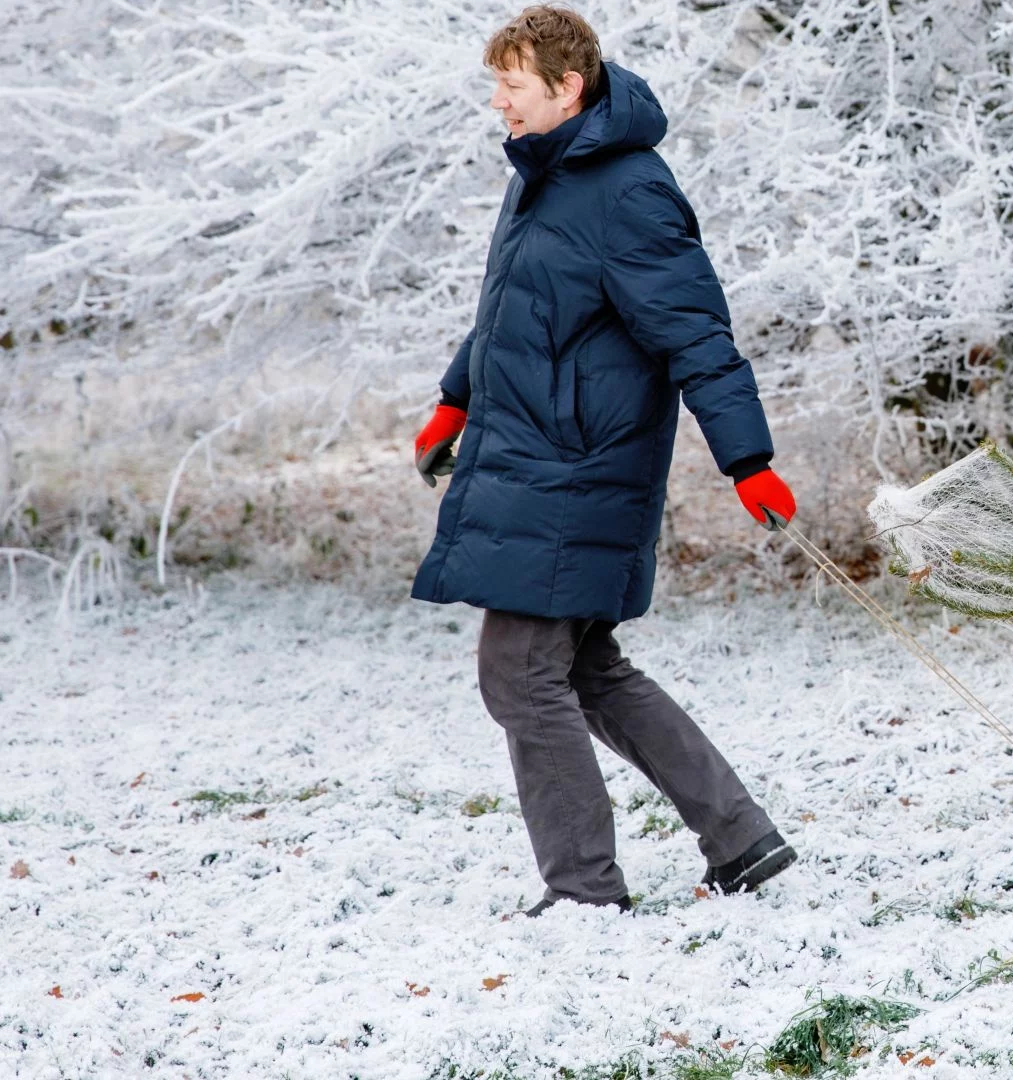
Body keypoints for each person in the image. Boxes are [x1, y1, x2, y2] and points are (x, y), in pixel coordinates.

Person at [408, 5, 798, 917]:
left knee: (519, 673)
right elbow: (510, 309)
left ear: (566, 87)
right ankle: (742, 841)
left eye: (512, 86)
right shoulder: (541, 177)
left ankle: (583, 892)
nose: (499, 103)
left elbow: (699, 336)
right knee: (586, 672)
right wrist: (454, 398)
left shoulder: (629, 191)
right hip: (533, 458)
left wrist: (749, 461)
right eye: (496, 85)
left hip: (580, 468)